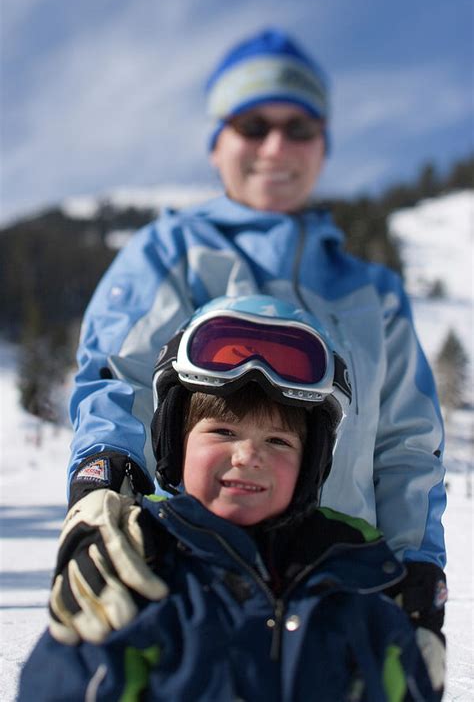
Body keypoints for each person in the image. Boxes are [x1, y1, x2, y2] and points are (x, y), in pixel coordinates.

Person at [59, 28, 447, 647]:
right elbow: (118, 380)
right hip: (189, 580)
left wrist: (418, 573)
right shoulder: (171, 253)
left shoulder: (373, 294)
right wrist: (101, 492)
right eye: (252, 123)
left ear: (323, 147)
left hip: (341, 588)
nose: (276, 145)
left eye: (299, 128)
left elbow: (407, 447)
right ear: (217, 143)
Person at [20, 296, 442, 701]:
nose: (249, 456)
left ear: (311, 463)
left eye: (278, 441)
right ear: (175, 443)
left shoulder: (358, 573)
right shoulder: (135, 566)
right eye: (223, 432)